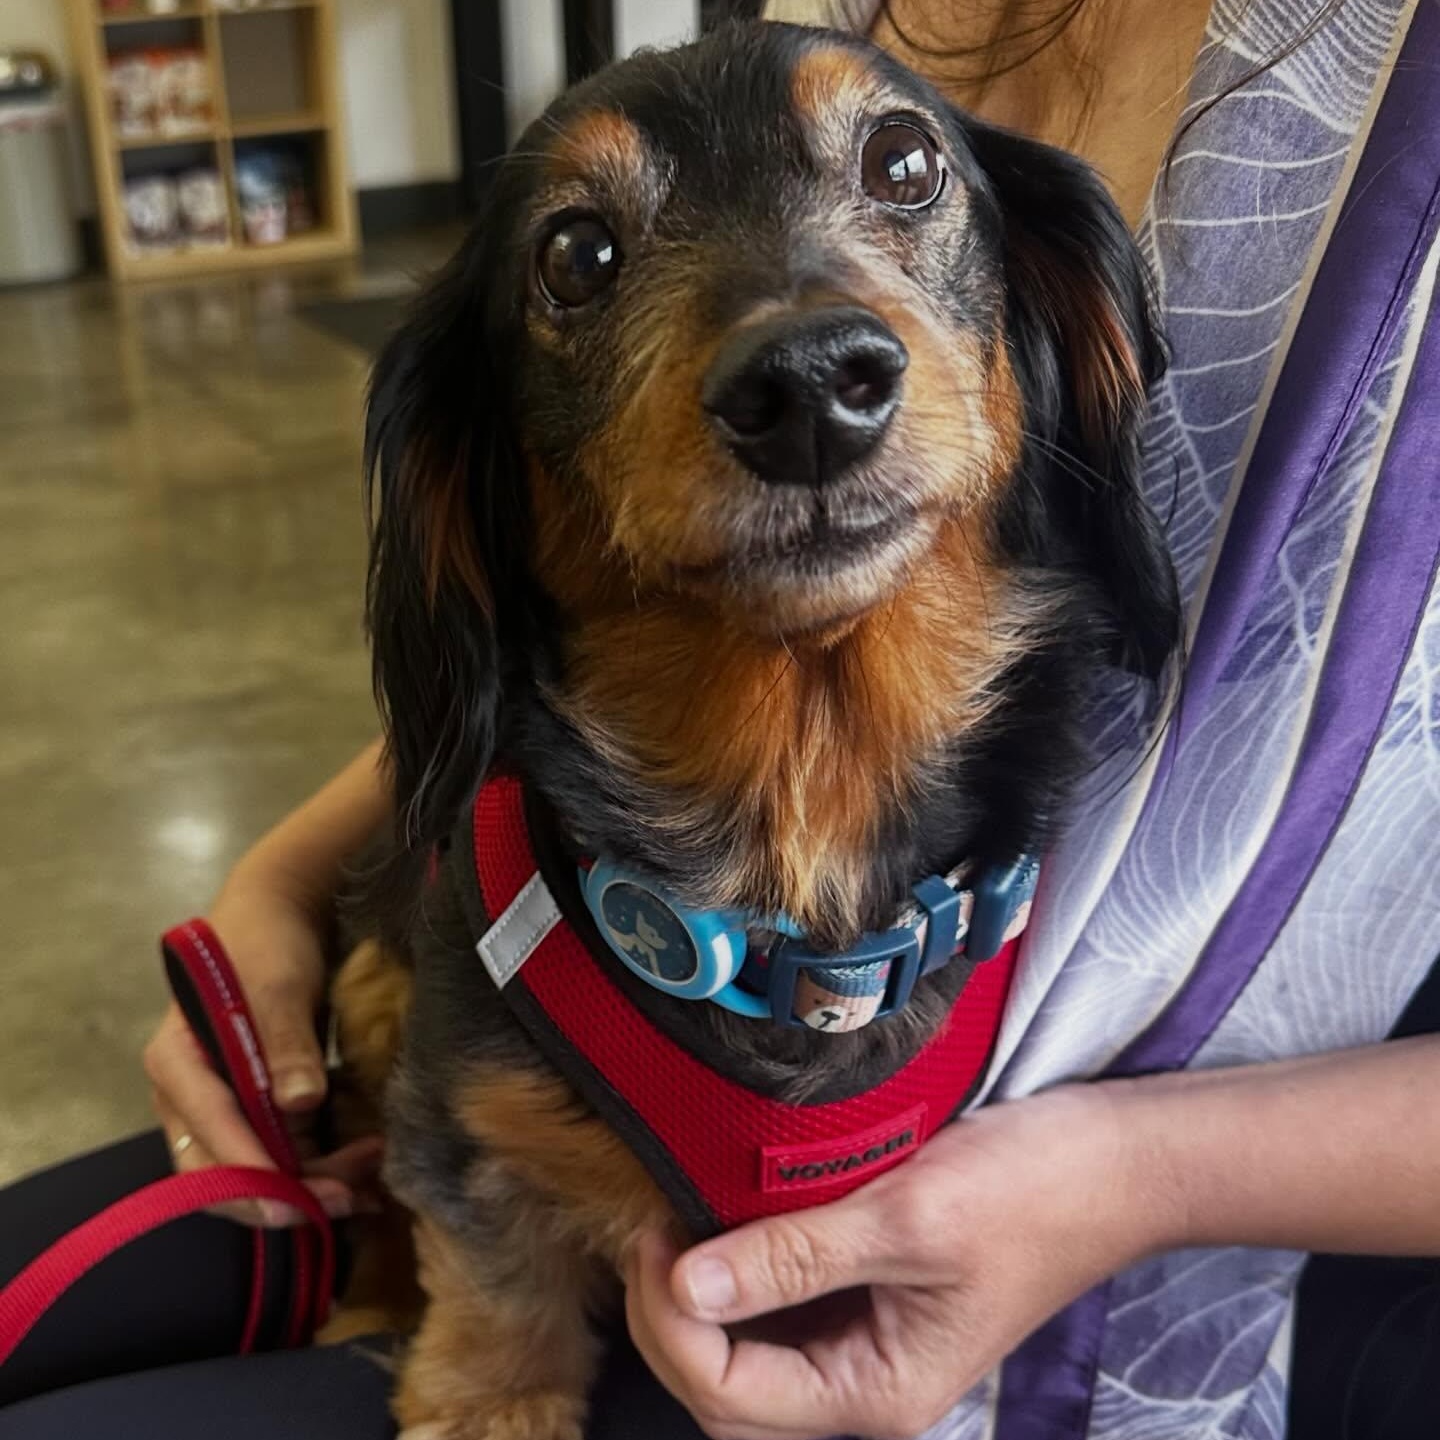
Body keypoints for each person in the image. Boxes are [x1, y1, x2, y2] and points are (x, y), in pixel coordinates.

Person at [3, 1, 1438, 1436]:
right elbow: (506, 661)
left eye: (898, 177)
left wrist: (1139, 1182)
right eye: (586, 262)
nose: (805, 355)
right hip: (572, 1052)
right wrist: (289, 877)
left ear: (1054, 340)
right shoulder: (888, 21)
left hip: (1150, 1266)